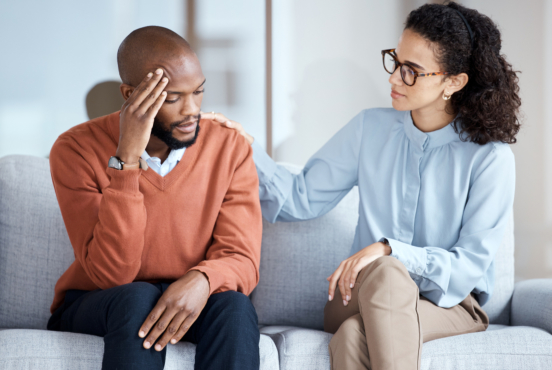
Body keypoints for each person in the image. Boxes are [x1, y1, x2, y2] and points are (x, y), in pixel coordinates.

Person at [204, 2, 520, 369]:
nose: (393, 78)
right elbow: (299, 198)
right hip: (356, 296)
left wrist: (390, 250)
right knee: (384, 276)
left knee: (356, 333)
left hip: (449, 306)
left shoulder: (490, 159)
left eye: (411, 71)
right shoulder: (370, 129)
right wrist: (243, 145)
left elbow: (467, 267)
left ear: (454, 81)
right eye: (395, 61)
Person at [47, 26, 262, 370]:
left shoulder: (229, 147)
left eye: (199, 92)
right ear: (131, 94)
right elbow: (112, 274)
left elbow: (241, 257)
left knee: (235, 306)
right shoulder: (75, 149)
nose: (192, 110)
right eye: (174, 98)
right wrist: (127, 161)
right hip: (98, 301)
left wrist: (203, 279)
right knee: (138, 297)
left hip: (190, 297)